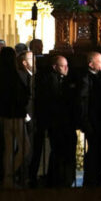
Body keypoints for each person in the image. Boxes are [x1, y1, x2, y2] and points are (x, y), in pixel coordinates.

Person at [35, 54, 77, 188]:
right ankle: (58, 179)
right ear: (55, 67)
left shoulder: (68, 80)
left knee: (67, 151)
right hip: (57, 123)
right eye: (62, 66)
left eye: (67, 66)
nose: (66, 68)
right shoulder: (49, 81)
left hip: (67, 122)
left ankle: (66, 178)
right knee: (58, 152)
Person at [0, 46, 31, 189]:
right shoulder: (15, 76)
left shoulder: (0, 77)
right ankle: (9, 175)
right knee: (25, 148)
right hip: (16, 115)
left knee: (9, 149)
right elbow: (21, 96)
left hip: (5, 115)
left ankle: (7, 179)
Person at [79, 51, 101, 187]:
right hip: (94, 123)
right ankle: (92, 180)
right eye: (100, 61)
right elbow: (84, 103)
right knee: (94, 152)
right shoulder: (86, 79)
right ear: (91, 64)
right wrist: (86, 122)